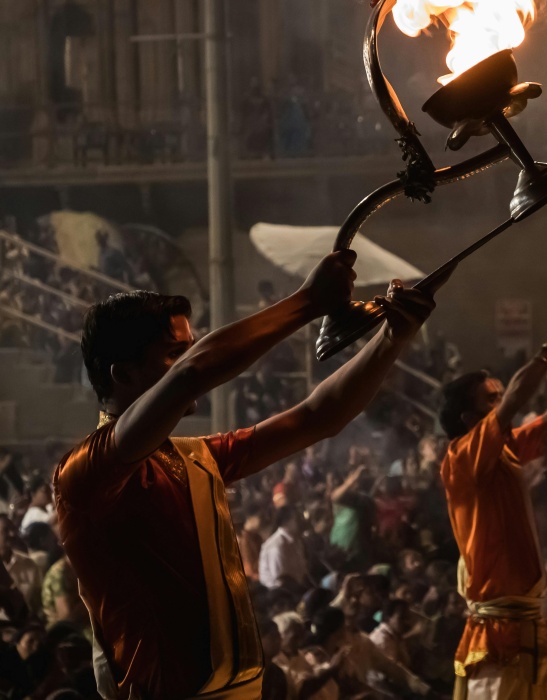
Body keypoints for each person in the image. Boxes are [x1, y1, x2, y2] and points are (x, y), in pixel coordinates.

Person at [53, 254, 435, 699]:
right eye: (175, 352)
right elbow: (193, 374)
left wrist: (393, 337)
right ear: (123, 373)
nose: (190, 359)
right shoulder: (84, 472)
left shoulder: (196, 457)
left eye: (189, 348)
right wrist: (306, 303)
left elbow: (316, 416)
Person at [437, 317, 547, 699]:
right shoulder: (462, 458)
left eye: (501, 395)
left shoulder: (504, 447)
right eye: (492, 399)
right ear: (469, 420)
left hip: (524, 621)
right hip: (499, 629)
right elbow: (521, 397)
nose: (503, 403)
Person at [259, 505, 309, 590]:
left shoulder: (296, 540)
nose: (302, 521)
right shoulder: (277, 546)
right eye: (297, 518)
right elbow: (281, 582)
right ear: (287, 522)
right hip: (281, 595)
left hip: (297, 588)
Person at [0, 517, 42, 614]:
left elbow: (38, 604)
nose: (12, 534)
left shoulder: (29, 564)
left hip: (26, 624)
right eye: (5, 530)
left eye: (13, 529)